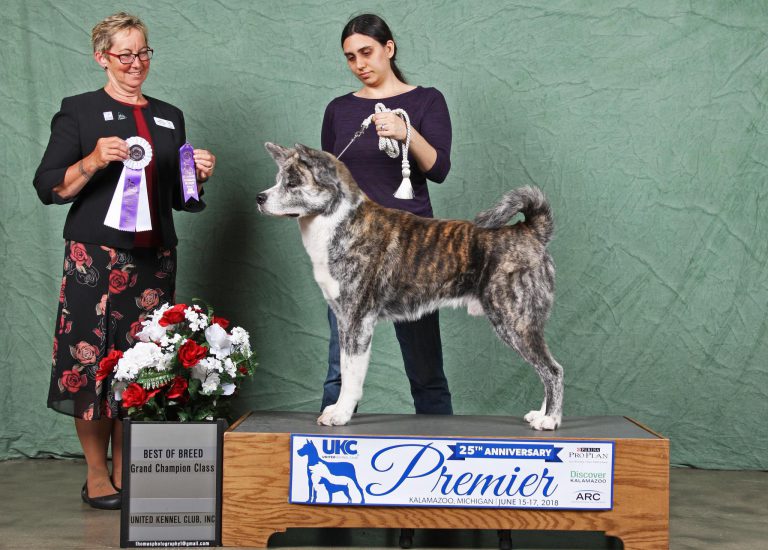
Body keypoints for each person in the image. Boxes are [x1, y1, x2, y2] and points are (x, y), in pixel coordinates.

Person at [33, 12, 216, 510]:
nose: (136, 64)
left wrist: (198, 173)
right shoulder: (79, 110)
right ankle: (96, 475)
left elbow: (182, 198)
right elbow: (50, 185)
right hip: (94, 256)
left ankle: (127, 468)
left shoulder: (168, 115)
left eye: (143, 53)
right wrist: (93, 160)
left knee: (141, 364)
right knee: (90, 362)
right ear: (102, 58)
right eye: (125, 55)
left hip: (155, 258)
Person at [320, 14, 453, 416]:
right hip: (352, 251)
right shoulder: (339, 110)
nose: (360, 63)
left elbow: (440, 170)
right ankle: (327, 445)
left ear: (388, 49)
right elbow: (330, 180)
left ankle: (443, 455)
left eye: (367, 52)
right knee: (338, 364)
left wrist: (406, 134)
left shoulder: (427, 100)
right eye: (350, 57)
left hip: (413, 249)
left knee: (425, 366)